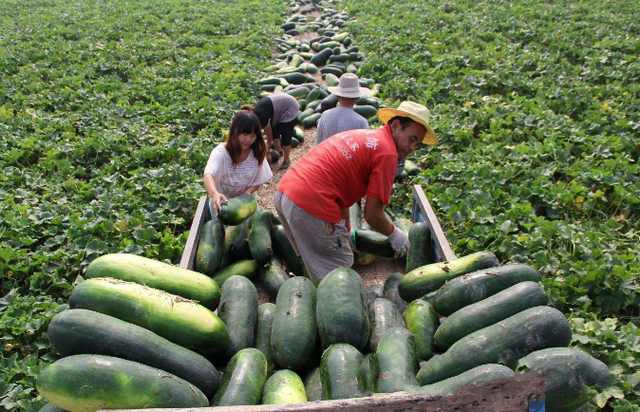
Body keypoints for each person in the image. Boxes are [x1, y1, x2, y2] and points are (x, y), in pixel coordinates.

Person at [275, 101, 437, 280]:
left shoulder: (367, 136)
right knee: (340, 274)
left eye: (417, 144)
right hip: (309, 205)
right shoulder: (388, 154)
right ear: (396, 125)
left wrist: (346, 228)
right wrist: (394, 234)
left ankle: (311, 296)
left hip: (285, 192)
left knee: (314, 259)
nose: (412, 148)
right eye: (412, 139)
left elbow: (342, 193)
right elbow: (372, 215)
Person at [203, 109, 273, 215]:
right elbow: (208, 173)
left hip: (245, 202)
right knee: (222, 227)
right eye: (244, 134)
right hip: (222, 203)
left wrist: (248, 193)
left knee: (253, 225)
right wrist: (214, 193)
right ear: (235, 131)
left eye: (252, 136)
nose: (248, 139)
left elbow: (259, 180)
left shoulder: (257, 154)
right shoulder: (221, 151)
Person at [315, 73, 370, 146]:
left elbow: (317, 144)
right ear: (357, 97)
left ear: (337, 95)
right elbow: (363, 150)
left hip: (324, 156)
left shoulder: (325, 115)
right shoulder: (362, 123)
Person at [250, 92, 299, 169]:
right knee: (275, 129)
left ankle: (287, 160)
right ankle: (279, 150)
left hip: (290, 106)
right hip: (280, 104)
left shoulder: (261, 118)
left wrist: (267, 152)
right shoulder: (254, 115)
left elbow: (269, 136)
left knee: (286, 134)